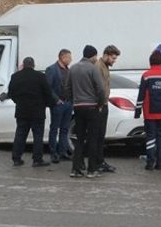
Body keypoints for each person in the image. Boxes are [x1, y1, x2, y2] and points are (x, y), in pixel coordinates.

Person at [63, 44, 106, 178]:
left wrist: (73, 100)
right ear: (92, 56)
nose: (96, 58)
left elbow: (67, 87)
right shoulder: (93, 69)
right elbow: (101, 89)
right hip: (92, 107)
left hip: (78, 107)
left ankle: (76, 169)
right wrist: (100, 104)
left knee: (79, 139)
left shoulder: (73, 68)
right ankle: (92, 169)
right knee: (93, 138)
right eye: (95, 56)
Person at [9, 57, 55, 167]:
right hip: (37, 111)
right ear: (33, 65)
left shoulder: (15, 77)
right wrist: (46, 104)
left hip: (21, 110)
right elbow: (48, 93)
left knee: (20, 134)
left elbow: (11, 93)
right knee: (38, 136)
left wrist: (18, 102)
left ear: (23, 65)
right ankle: (37, 159)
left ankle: (16, 158)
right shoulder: (40, 76)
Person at [135, 50, 161, 171]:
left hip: (150, 112)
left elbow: (141, 94)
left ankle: (150, 163)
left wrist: (137, 111)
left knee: (151, 137)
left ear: (150, 61)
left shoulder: (146, 75)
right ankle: (160, 163)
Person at [93, 45, 121, 174]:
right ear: (106, 55)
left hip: (103, 104)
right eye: (113, 58)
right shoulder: (98, 67)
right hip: (99, 106)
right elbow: (99, 88)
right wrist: (100, 104)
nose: (114, 61)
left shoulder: (104, 67)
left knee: (100, 136)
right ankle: (97, 163)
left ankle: (100, 161)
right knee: (97, 136)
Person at [44, 49, 73, 163]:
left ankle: (63, 151)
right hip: (58, 104)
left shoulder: (68, 70)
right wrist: (56, 100)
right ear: (62, 57)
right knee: (54, 128)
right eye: (69, 57)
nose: (70, 60)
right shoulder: (52, 69)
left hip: (68, 103)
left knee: (65, 129)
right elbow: (48, 87)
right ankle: (53, 153)